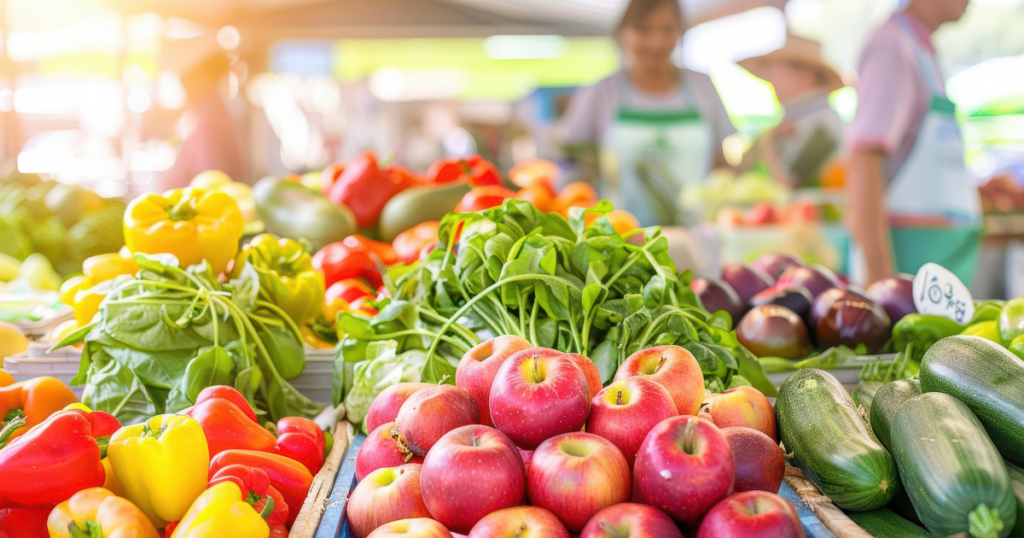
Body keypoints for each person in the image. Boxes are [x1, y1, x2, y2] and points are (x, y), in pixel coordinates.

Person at [562, 0, 736, 227]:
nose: (657, 41)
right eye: (643, 29)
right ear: (623, 32)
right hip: (620, 236)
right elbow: (571, 166)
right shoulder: (602, 92)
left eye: (668, 29)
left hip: (697, 235)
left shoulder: (703, 87)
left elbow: (721, 164)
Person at [846, 0, 979, 286]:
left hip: (937, 261)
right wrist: (878, 276)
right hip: (904, 266)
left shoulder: (921, 50)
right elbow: (864, 159)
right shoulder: (891, 47)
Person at [739, 34, 846, 188]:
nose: (769, 79)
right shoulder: (793, 120)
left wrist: (766, 143)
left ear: (805, 74)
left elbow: (788, 186)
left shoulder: (823, 125)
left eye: (773, 70)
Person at [156, 34, 247, 191]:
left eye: (184, 78)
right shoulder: (208, 108)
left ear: (202, 76)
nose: (183, 85)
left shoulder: (210, 114)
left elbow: (211, 175)